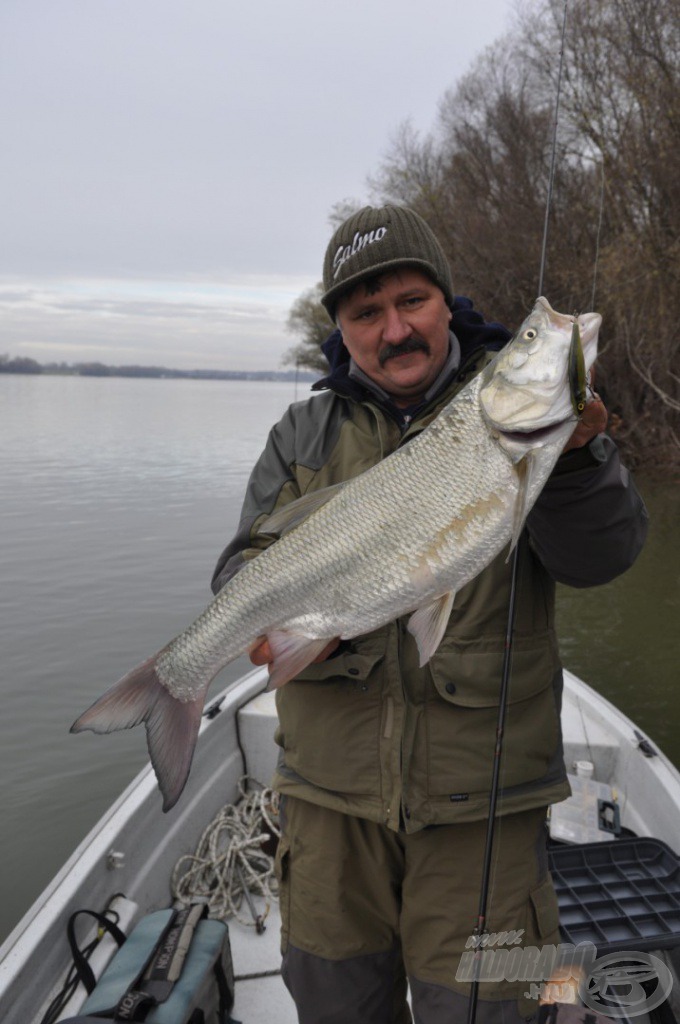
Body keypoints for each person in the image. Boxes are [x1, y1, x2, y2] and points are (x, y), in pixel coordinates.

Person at [211, 205, 648, 1024]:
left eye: (412, 300)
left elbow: (604, 559)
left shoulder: (518, 416)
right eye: (365, 313)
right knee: (337, 1009)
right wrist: (308, 618)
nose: (394, 329)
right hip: (330, 811)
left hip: (487, 813)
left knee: (500, 1007)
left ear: (446, 300)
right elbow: (241, 569)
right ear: (342, 329)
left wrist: (582, 458)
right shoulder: (302, 433)